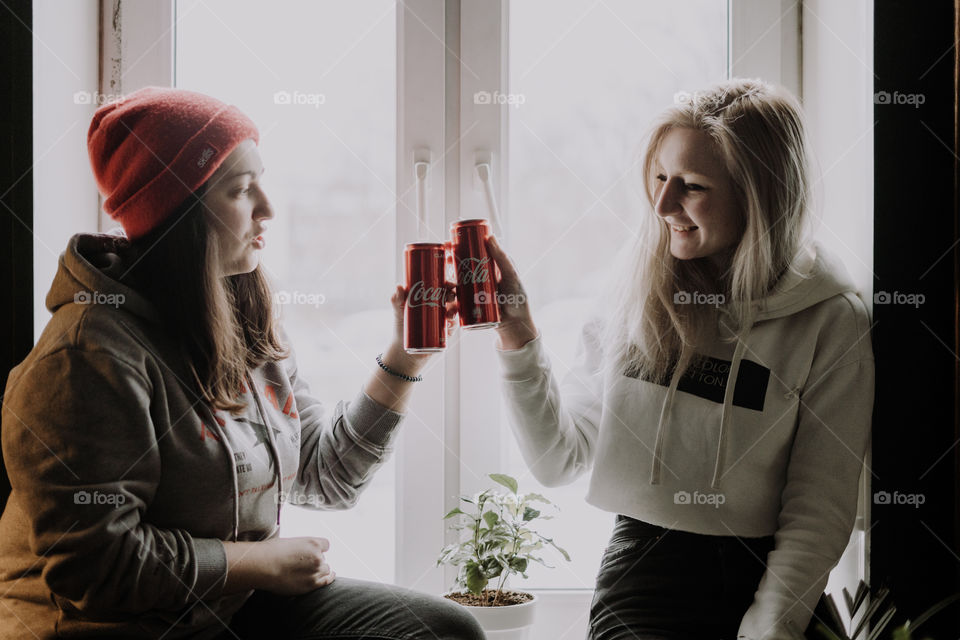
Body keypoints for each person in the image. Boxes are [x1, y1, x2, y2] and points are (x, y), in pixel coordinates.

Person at [0, 87, 482, 640]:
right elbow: (97, 569)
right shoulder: (85, 358)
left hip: (224, 610)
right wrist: (254, 563)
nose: (268, 209)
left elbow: (328, 476)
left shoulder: (242, 315)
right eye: (242, 190)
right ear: (180, 215)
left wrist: (407, 355)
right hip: (115, 628)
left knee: (443, 630)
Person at [484, 78, 874, 640]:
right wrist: (518, 338)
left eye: (691, 185)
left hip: (768, 585)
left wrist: (769, 631)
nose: (663, 205)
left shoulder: (831, 319)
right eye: (660, 178)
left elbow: (819, 510)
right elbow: (557, 459)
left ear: (759, 195)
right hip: (642, 578)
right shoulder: (634, 291)